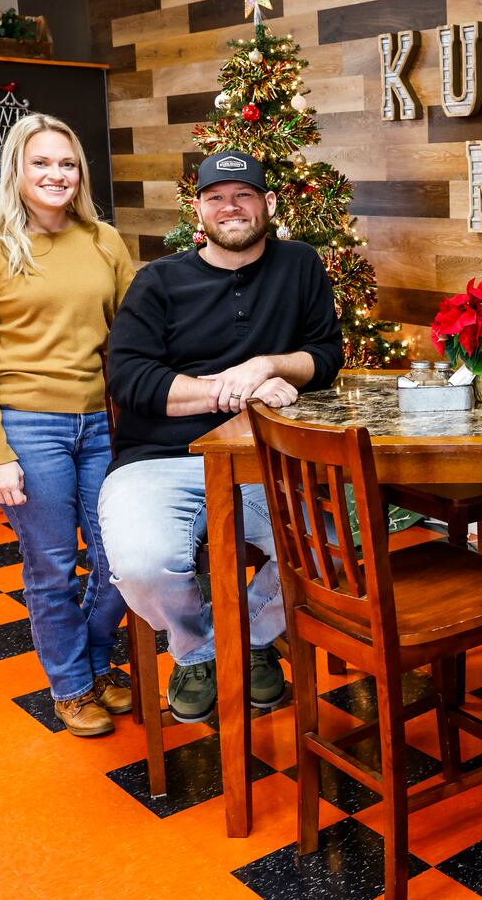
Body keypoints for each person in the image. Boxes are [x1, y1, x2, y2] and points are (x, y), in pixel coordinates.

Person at [100, 150, 342, 723]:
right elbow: (128, 378)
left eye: (244, 195)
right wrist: (230, 389)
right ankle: (196, 652)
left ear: (269, 204)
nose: (230, 207)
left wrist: (268, 366)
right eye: (216, 198)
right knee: (141, 562)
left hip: (266, 456)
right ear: (198, 210)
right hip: (161, 459)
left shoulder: (300, 265)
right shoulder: (157, 281)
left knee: (331, 547)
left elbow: (326, 356)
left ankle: (252, 639)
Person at [0, 113, 136, 737]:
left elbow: (137, 331)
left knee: (121, 562)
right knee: (53, 566)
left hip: (100, 426)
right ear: (18, 172)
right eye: (42, 163)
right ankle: (74, 684)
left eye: (67, 163)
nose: (57, 174)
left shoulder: (105, 240)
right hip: (27, 428)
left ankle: (96, 659)